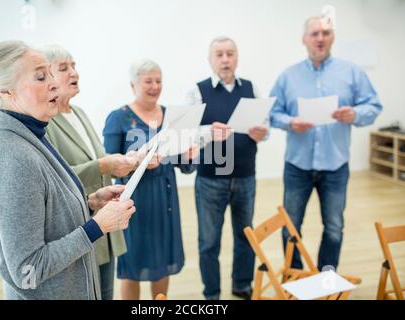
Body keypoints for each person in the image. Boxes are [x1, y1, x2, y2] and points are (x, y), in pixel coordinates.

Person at [0, 40, 135, 299]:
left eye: (51, 74)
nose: (53, 83)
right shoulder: (12, 159)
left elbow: (44, 214)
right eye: (41, 77)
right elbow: (28, 269)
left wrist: (90, 203)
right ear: (7, 92)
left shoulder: (32, 135)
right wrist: (96, 227)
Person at [269, 16, 382, 271]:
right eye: (314, 33)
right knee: (291, 226)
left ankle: (326, 278)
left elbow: (373, 105)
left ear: (332, 37)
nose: (320, 38)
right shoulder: (288, 76)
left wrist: (356, 114)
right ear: (304, 39)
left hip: (335, 165)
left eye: (325, 33)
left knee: (333, 227)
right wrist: (290, 122)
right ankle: (294, 275)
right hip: (297, 166)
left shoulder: (352, 72)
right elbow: (272, 113)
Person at [42, 45, 138, 300]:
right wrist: (104, 165)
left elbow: (96, 158)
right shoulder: (46, 122)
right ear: (47, 76)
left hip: (103, 223)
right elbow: (55, 176)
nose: (74, 72)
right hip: (77, 226)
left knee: (106, 293)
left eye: (74, 65)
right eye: (64, 68)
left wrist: (125, 161)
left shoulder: (79, 113)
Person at [103, 59, 198, 299]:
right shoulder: (118, 118)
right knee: (132, 263)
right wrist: (137, 162)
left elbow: (183, 165)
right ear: (133, 84)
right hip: (133, 199)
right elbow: (109, 168)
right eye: (148, 81)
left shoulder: (171, 117)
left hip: (165, 198)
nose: (155, 86)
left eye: (158, 81)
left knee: (161, 259)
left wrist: (189, 155)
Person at [186, 36, 268, 300]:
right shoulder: (197, 92)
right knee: (209, 242)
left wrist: (262, 134)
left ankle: (241, 285)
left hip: (246, 177)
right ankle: (211, 294)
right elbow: (185, 134)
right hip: (211, 180)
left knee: (246, 236)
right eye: (219, 54)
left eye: (230, 54)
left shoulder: (252, 88)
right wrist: (208, 132)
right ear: (210, 60)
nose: (225, 59)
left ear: (237, 58)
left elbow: (264, 128)